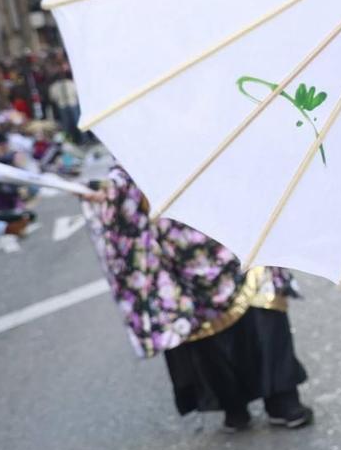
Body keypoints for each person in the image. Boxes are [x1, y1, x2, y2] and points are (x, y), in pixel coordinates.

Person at [82, 165, 312, 431]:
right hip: (226, 215)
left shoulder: (132, 141)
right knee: (259, 298)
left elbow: (125, 188)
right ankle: (282, 401)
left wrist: (109, 196)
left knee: (201, 321)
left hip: (176, 241)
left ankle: (234, 407)